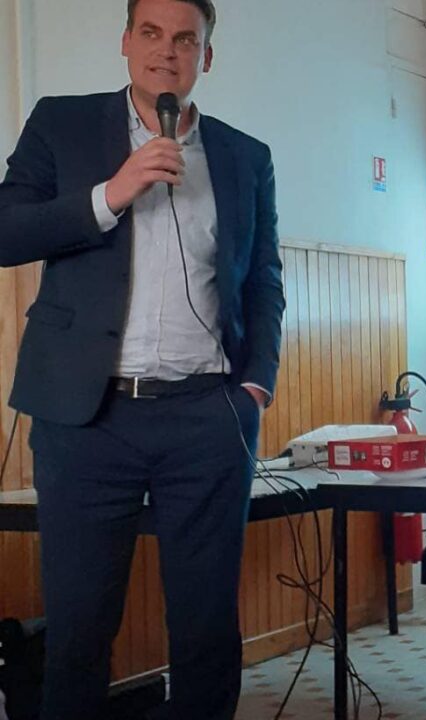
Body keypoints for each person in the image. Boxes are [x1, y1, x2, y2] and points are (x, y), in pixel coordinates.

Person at [0, 1, 284, 718]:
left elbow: (263, 284)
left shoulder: (246, 156)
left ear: (206, 58)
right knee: (78, 632)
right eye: (152, 34)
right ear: (126, 43)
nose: (168, 52)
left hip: (208, 417)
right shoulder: (60, 125)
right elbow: (5, 232)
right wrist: (111, 193)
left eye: (186, 39)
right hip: (86, 420)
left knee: (206, 632)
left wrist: (256, 384)